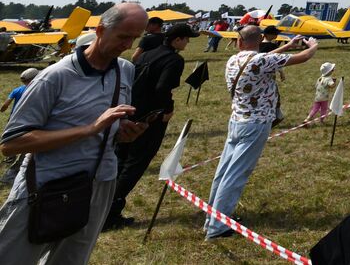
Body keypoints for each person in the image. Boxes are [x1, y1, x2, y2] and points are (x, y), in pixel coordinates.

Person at [0, 2, 149, 265]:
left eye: (134, 38)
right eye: (123, 37)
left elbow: (108, 128)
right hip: (45, 188)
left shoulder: (125, 70)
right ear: (101, 30)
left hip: (99, 184)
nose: (127, 45)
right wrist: (90, 129)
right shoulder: (54, 77)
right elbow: (11, 143)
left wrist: (122, 132)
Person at [204, 28, 318, 239]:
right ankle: (217, 226)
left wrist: (289, 45)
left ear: (239, 41)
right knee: (236, 175)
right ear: (260, 40)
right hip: (255, 124)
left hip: (236, 121)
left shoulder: (233, 60)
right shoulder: (261, 61)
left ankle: (212, 217)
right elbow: (303, 57)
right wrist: (313, 46)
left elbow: (268, 58)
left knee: (223, 171)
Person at [103, 22, 193, 231]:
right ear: (177, 39)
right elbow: (163, 87)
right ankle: (110, 213)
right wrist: (167, 109)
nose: (187, 43)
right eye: (186, 39)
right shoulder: (174, 60)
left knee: (119, 160)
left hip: (130, 113)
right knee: (135, 164)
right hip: (149, 119)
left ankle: (102, 205)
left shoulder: (146, 55)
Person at [0, 70, 40, 189]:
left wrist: (2, 110)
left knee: (9, 141)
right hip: (29, 122)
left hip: (14, 120)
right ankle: (13, 172)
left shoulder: (17, 90)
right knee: (25, 147)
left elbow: (6, 104)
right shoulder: (37, 90)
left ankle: (10, 158)